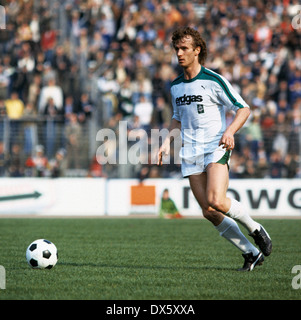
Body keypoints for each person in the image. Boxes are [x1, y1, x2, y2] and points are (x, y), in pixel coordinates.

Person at [157, 27, 272, 272]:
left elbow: (243, 108)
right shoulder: (176, 86)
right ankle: (251, 253)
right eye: (177, 49)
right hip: (190, 152)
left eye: (184, 48)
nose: (179, 53)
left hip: (215, 147)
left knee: (216, 200)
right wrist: (167, 142)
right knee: (208, 211)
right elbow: (177, 117)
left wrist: (229, 132)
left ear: (197, 51)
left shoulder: (213, 80)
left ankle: (255, 228)